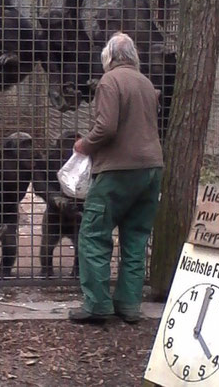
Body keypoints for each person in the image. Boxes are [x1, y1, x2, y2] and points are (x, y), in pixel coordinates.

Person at [68, 32, 163, 324]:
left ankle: (97, 305)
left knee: (94, 235)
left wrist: (84, 144)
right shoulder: (147, 84)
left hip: (118, 170)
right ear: (134, 56)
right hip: (151, 169)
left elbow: (106, 127)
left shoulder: (110, 81)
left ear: (108, 57)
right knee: (135, 238)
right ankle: (129, 304)